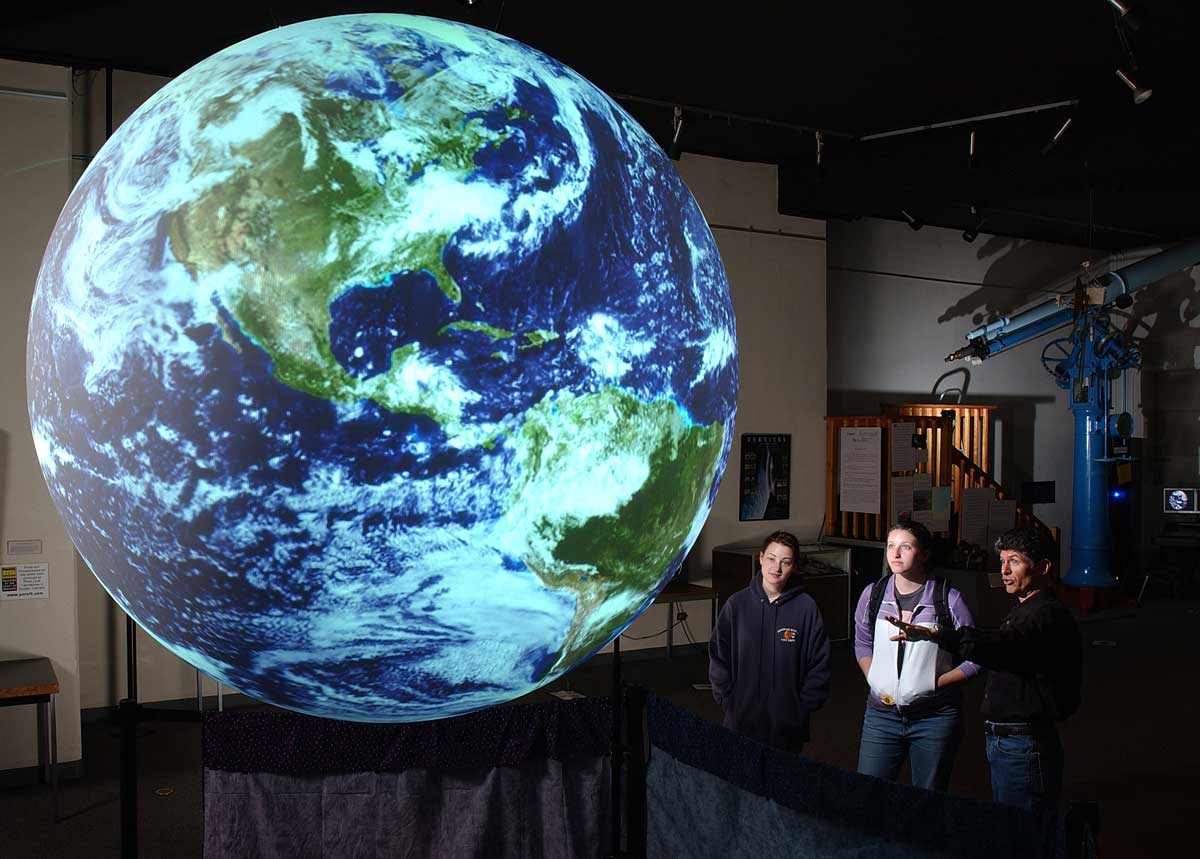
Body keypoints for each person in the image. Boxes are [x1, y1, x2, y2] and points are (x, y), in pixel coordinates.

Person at [888, 526, 1082, 814]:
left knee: (1023, 834)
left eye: (1014, 561)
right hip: (1011, 741)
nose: (1003, 570)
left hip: (1024, 744)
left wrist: (939, 634)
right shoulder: (1026, 608)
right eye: (1002, 561)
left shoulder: (1044, 615)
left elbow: (1004, 645)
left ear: (1043, 567)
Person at [853, 519, 981, 791]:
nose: (895, 554)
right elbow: (863, 642)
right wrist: (873, 677)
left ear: (924, 554)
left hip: (934, 717)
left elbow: (976, 656)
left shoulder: (948, 599)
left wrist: (936, 683)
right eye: (891, 546)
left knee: (927, 798)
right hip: (881, 715)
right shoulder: (873, 594)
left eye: (905, 546)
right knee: (867, 795)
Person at [708, 530, 831, 753]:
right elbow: (719, 655)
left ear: (794, 566)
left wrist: (801, 707)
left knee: (783, 783)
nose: (777, 568)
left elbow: (820, 662)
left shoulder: (806, 608)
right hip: (741, 720)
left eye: (785, 562)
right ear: (761, 557)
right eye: (772, 559)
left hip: (787, 727)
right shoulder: (737, 605)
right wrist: (728, 700)